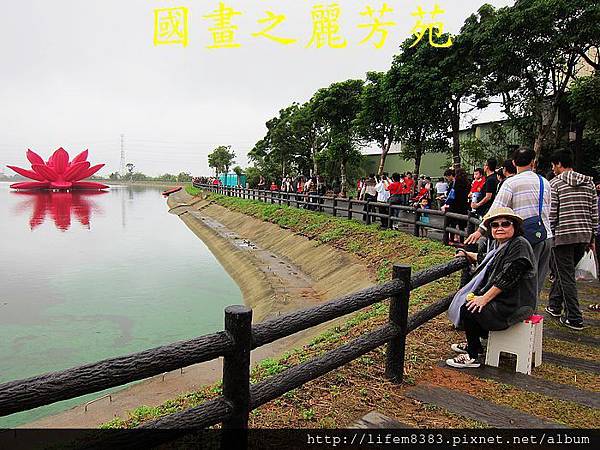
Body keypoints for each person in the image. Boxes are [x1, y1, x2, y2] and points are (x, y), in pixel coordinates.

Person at [446, 207, 536, 368]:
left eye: (505, 224)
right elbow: (487, 260)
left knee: (470, 308)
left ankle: (472, 356)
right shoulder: (502, 245)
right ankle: (475, 345)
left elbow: (508, 277)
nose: (499, 228)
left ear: (514, 226)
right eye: (495, 225)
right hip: (507, 296)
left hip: (516, 302)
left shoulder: (519, 245)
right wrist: (468, 254)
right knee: (470, 302)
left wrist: (484, 298)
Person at [465, 147, 553, 299]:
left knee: (521, 281)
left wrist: (480, 230)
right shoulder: (544, 182)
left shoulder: (511, 183)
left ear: (514, 162)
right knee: (537, 281)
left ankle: (519, 316)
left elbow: (496, 210)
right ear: (533, 162)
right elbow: (549, 209)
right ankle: (531, 316)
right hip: (545, 236)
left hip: (524, 239)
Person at [546, 149, 598, 330]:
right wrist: (592, 237)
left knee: (566, 276)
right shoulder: (589, 183)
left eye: (553, 165)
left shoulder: (555, 184)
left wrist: (549, 233)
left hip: (563, 235)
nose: (553, 169)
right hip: (584, 234)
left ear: (559, 164)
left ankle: (574, 317)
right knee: (565, 272)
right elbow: (594, 212)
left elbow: (552, 214)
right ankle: (554, 305)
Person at [442, 168, 469, 243]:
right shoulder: (467, 183)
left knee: (449, 223)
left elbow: (451, 194)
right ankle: (462, 241)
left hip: (454, 206)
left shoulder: (455, 183)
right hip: (463, 206)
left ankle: (449, 239)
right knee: (461, 225)